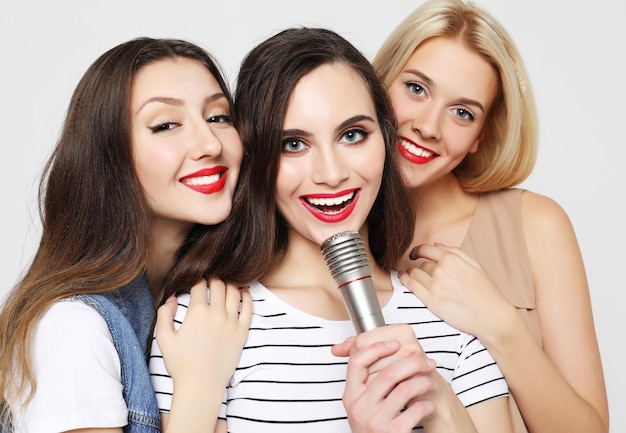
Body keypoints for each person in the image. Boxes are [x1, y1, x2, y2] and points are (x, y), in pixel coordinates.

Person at [150, 27, 514, 433]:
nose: (332, 174)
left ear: (387, 138)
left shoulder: (451, 319)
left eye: (352, 135)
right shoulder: (207, 321)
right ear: (255, 155)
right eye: (293, 144)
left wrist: (445, 414)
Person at [346, 0, 608, 432]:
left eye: (462, 112)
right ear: (377, 85)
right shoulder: (332, 220)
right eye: (416, 89)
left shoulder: (536, 225)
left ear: (478, 137)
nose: (429, 126)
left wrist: (500, 323)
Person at [0, 37, 252, 433]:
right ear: (109, 156)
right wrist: (200, 387)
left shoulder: (212, 298)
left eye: (219, 117)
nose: (209, 143)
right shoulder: (73, 327)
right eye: (166, 125)